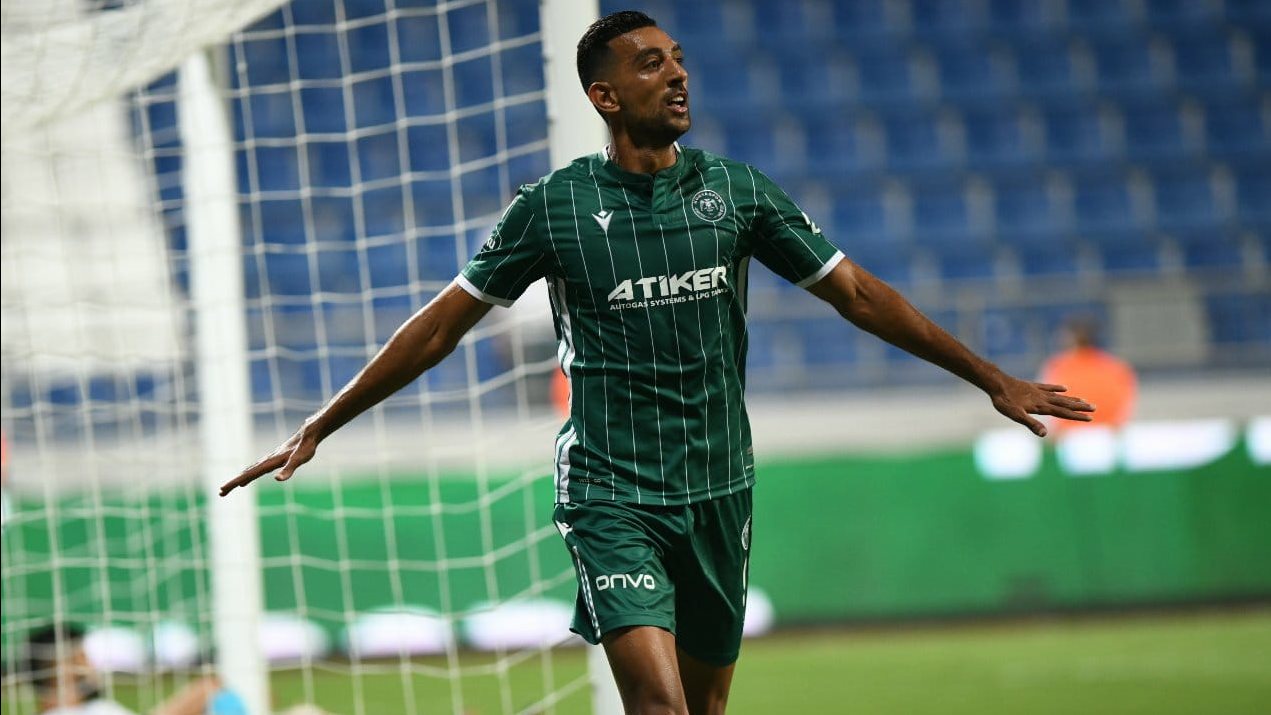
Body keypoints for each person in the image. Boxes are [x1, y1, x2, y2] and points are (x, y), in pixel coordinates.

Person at [220, 11, 1095, 714]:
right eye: (650, 64)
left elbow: (858, 294)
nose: (676, 75)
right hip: (610, 492)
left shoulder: (736, 192)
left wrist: (992, 378)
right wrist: (322, 423)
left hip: (719, 486)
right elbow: (440, 327)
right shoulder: (554, 207)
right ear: (603, 96)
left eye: (678, 60)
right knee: (657, 702)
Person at [23, 623, 222, 715]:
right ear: (62, 668)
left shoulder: (97, 708)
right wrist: (201, 692)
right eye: (83, 658)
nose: (92, 666)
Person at [1039, 317, 1137, 434]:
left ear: (1070, 338)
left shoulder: (1056, 366)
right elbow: (1127, 401)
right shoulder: (1115, 365)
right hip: (1109, 428)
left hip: (1069, 430)